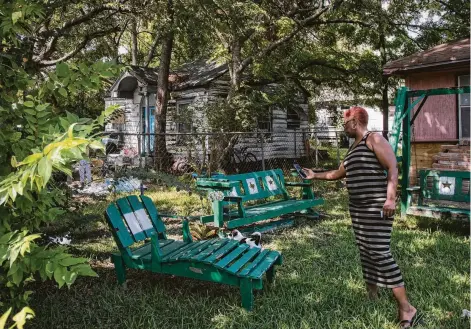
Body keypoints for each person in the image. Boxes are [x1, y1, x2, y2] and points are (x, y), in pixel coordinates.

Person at [302, 107, 418, 329]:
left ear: (354, 122)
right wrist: (314, 174)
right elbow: (337, 173)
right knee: (366, 251)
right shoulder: (353, 147)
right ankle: (372, 296)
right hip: (358, 210)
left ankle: (406, 307)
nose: (343, 127)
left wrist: (390, 199)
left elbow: (392, 167)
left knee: (380, 253)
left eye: (345, 123)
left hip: (377, 207)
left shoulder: (373, 138)